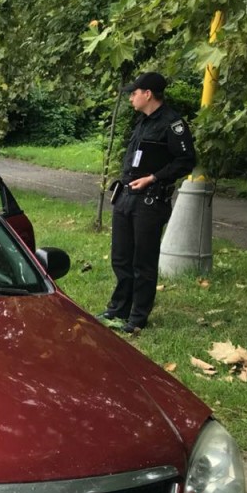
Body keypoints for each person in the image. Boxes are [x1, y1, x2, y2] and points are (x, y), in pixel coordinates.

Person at [97, 72, 195, 334]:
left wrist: (153, 178)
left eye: (134, 93)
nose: (131, 97)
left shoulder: (173, 124)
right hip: (127, 197)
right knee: (121, 257)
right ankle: (119, 308)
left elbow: (186, 161)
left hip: (150, 201)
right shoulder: (142, 122)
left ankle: (137, 317)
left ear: (148, 94)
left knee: (143, 261)